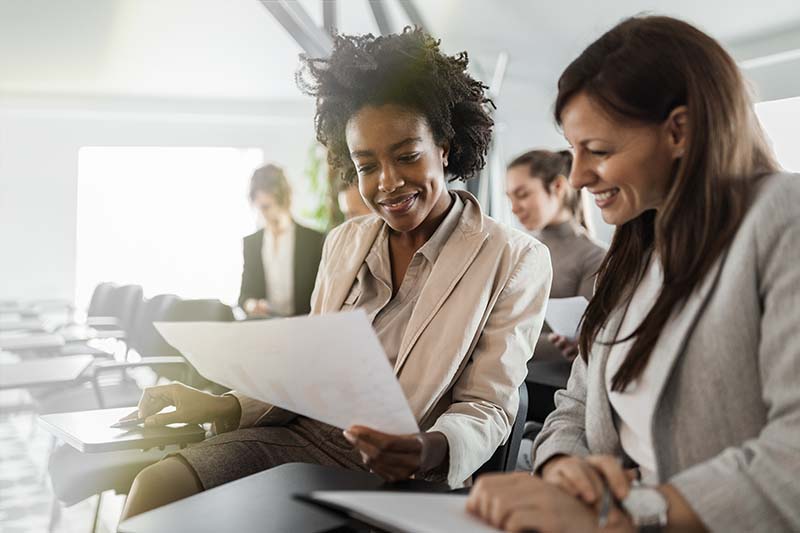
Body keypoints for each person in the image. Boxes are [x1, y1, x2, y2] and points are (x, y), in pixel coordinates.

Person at [120, 28, 552, 520]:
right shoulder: (345, 242)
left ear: (446, 147)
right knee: (158, 486)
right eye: (367, 165)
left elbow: (490, 405)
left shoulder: (514, 257)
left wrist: (425, 447)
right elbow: (305, 373)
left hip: (405, 471)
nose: (387, 182)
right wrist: (219, 405)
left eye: (407, 156)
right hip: (301, 434)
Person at [468, 15, 798, 532]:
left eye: (598, 151)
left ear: (679, 131)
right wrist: (565, 472)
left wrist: (628, 514)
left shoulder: (782, 218)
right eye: (574, 150)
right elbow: (574, 407)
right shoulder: (634, 257)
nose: (576, 176)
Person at [506, 150, 606, 422]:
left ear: (558, 187)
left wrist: (500, 340)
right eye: (510, 198)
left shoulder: (594, 256)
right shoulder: (516, 249)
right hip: (507, 383)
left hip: (552, 395)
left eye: (523, 194)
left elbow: (584, 344)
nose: (514, 207)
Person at [238, 164, 325, 317]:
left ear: (284, 200)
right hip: (266, 327)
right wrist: (252, 305)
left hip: (305, 325)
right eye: (259, 207)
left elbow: (323, 294)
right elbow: (244, 295)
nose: (263, 214)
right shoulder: (252, 243)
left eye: (267, 206)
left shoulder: (314, 241)